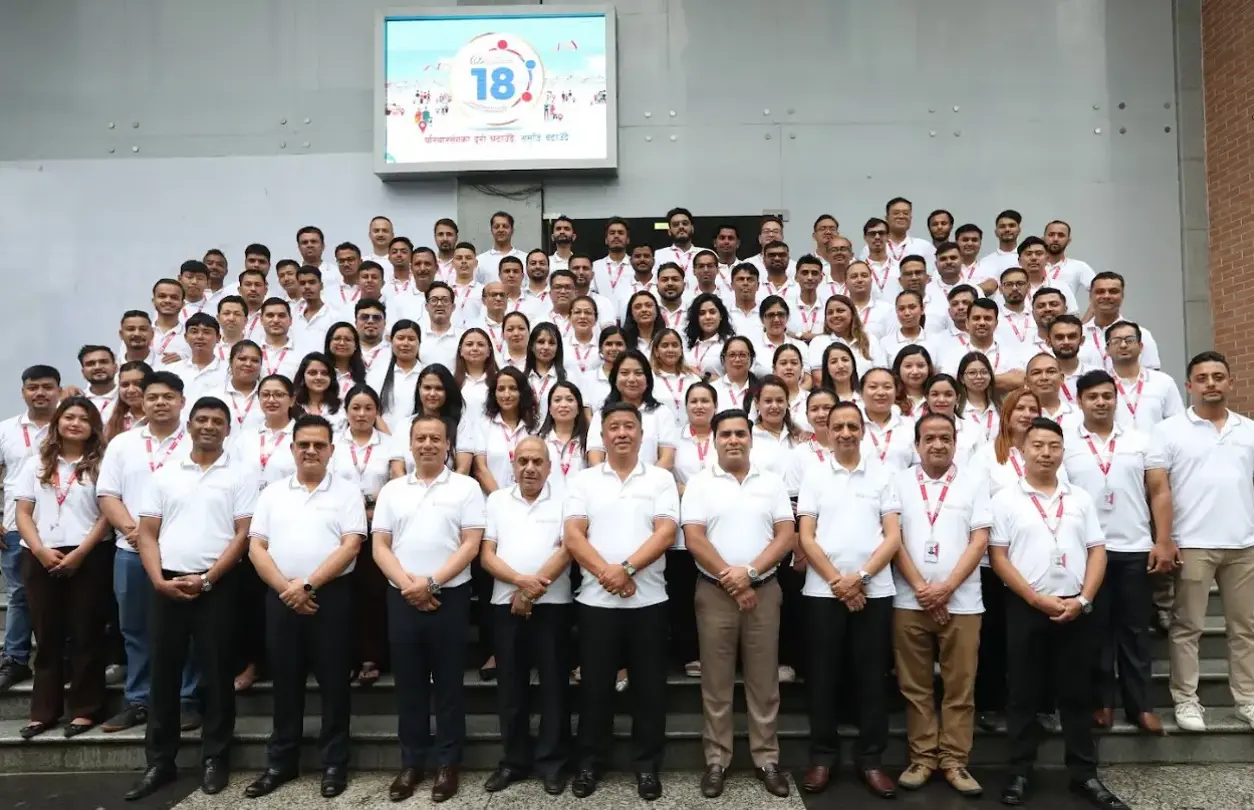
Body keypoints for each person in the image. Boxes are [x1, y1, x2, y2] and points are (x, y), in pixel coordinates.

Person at [988, 417, 1126, 809]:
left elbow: (1097, 550)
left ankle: (1084, 774)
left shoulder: (1079, 498)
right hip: (1026, 606)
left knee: (1076, 693)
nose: (1046, 453)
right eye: (1038, 446)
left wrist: (1083, 599)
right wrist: (1035, 599)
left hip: (1075, 607)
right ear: (1022, 451)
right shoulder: (1005, 499)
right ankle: (1019, 772)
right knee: (1023, 693)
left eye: (1053, 446)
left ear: (1063, 452)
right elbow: (999, 557)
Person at [125, 396, 255, 801]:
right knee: (163, 675)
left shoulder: (240, 475)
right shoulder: (165, 475)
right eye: (202, 419)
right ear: (190, 425)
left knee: (217, 674)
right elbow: (147, 533)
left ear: (228, 430)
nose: (209, 426)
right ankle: (159, 762)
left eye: (217, 421)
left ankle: (215, 757)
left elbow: (243, 534)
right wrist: (158, 580)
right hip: (167, 584)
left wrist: (209, 579)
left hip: (218, 586)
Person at [244, 414, 366, 799]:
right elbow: (256, 547)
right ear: (292, 448)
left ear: (331, 450)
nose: (311, 451)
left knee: (334, 684)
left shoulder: (347, 492)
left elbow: (351, 545)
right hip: (281, 596)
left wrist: (308, 586)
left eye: (319, 445)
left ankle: (334, 763)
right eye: (304, 444)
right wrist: (288, 590)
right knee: (285, 682)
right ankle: (281, 762)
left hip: (331, 597)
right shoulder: (273, 493)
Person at [563, 402, 680, 801]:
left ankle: (646, 766)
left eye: (630, 426)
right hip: (596, 603)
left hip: (649, 601)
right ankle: (590, 763)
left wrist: (626, 569)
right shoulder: (584, 481)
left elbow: (665, 532)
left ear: (642, 435)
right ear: (603, 436)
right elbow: (573, 536)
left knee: (649, 690)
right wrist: (608, 575)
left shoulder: (660, 479)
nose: (622, 433)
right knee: (595, 688)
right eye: (614, 427)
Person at [372, 415, 486, 803]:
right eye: (420, 438)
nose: (427, 444)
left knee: (450, 684)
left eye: (436, 438)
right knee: (409, 684)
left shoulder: (466, 487)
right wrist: (410, 586)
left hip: (449, 596)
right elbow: (380, 546)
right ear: (410, 443)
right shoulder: (392, 490)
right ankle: (412, 762)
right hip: (402, 596)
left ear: (448, 445)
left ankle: (448, 763)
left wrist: (431, 584)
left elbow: (470, 545)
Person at [682, 409, 794, 799]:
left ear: (751, 438)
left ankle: (767, 759)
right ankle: (717, 760)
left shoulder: (772, 482)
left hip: (764, 591)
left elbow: (785, 536)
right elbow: (694, 538)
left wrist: (750, 572)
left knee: (764, 682)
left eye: (740, 433)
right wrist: (732, 579)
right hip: (714, 593)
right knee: (716, 682)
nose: (733, 440)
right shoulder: (700, 483)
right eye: (726, 434)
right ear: (714, 440)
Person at [798, 400, 902, 799]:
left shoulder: (883, 474)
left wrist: (859, 579)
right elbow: (807, 536)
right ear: (827, 431)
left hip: (873, 591)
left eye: (852, 426)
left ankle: (871, 759)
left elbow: (892, 536)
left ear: (863, 430)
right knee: (823, 677)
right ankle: (822, 757)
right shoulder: (814, 475)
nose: (845, 433)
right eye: (837, 426)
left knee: (871, 678)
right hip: (823, 592)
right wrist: (837, 582)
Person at [1063, 371, 1171, 735]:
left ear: (1116, 398)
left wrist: (1163, 540)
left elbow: (1159, 491)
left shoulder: (1141, 440)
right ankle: (1102, 702)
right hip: (1086, 552)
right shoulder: (1065, 442)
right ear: (1079, 401)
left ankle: (1141, 706)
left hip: (1133, 547)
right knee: (1093, 631)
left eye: (1107, 396)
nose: (1101, 402)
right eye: (1092, 396)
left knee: (1135, 630)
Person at [1152, 351, 1254, 733]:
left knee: (1245, 628)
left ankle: (1247, 698)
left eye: (1218, 376)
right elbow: (1159, 489)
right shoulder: (1168, 431)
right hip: (1193, 542)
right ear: (1189, 385)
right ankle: (1186, 699)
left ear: (1230, 382)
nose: (1211, 383)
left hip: (1244, 544)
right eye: (1202, 377)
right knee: (1187, 627)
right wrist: (1165, 539)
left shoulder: (1249, 430)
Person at [890, 413, 989, 797]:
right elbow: (893, 539)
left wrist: (945, 589)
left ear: (955, 443)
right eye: (929, 438)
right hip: (909, 599)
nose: (937, 444)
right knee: (914, 686)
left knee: (960, 686)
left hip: (962, 602)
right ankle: (922, 758)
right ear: (916, 444)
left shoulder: (974, 482)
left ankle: (954, 760)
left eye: (945, 438)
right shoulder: (898, 482)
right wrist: (922, 588)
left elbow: (979, 540)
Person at [96, 372, 200, 734]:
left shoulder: (197, 441)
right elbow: (108, 494)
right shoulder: (122, 444)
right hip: (131, 550)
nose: (160, 403)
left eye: (168, 397)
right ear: (141, 401)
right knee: (135, 628)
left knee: (187, 629)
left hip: (181, 552)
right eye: (153, 397)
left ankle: (187, 699)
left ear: (182, 401)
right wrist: (135, 532)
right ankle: (138, 700)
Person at [13, 397, 112, 739]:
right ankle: (44, 712)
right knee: (47, 636)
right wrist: (39, 550)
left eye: (83, 419)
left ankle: (86, 709)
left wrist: (81, 552)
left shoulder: (102, 464)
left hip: (89, 555)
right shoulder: (36, 462)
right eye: (69, 417)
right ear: (57, 422)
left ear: (93, 427)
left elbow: (106, 515)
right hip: (40, 554)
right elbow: (23, 512)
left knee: (87, 634)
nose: (75, 423)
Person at [479, 437, 573, 795]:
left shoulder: (565, 501)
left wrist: (531, 592)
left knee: (554, 687)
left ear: (549, 467)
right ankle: (514, 761)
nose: (530, 468)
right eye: (523, 461)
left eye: (537, 461)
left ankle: (553, 763)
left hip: (554, 605)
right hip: (505, 604)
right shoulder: (497, 501)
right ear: (513, 465)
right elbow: (487, 555)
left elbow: (567, 550)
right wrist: (521, 584)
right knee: (510, 687)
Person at [0, 364, 61, 692]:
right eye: (33, 387)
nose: (40, 393)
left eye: (47, 387)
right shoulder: (6, 430)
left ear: (58, 391)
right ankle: (15, 658)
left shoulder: (70, 425)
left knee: (64, 597)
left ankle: (62, 658)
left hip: (62, 527)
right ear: (23, 391)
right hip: (14, 526)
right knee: (19, 595)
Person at [335, 387, 392, 687]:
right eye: (355, 407)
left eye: (368, 408)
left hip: (377, 527)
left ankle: (371, 657)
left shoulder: (389, 444)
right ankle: (344, 657)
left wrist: (371, 506)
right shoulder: (333, 444)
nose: (361, 414)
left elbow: (397, 483)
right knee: (342, 595)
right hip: (339, 530)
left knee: (372, 595)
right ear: (346, 411)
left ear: (376, 412)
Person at [1106, 321, 1183, 431]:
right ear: (1107, 350)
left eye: (1130, 340)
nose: (1123, 345)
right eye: (1116, 341)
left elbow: (1177, 423)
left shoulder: (1164, 382)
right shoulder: (1099, 384)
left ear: (1141, 346)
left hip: (1155, 442)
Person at [79, 345, 120, 421]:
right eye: (90, 364)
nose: (97, 367)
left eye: (103, 362)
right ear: (83, 372)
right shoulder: (76, 399)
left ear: (116, 367)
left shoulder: (128, 397)